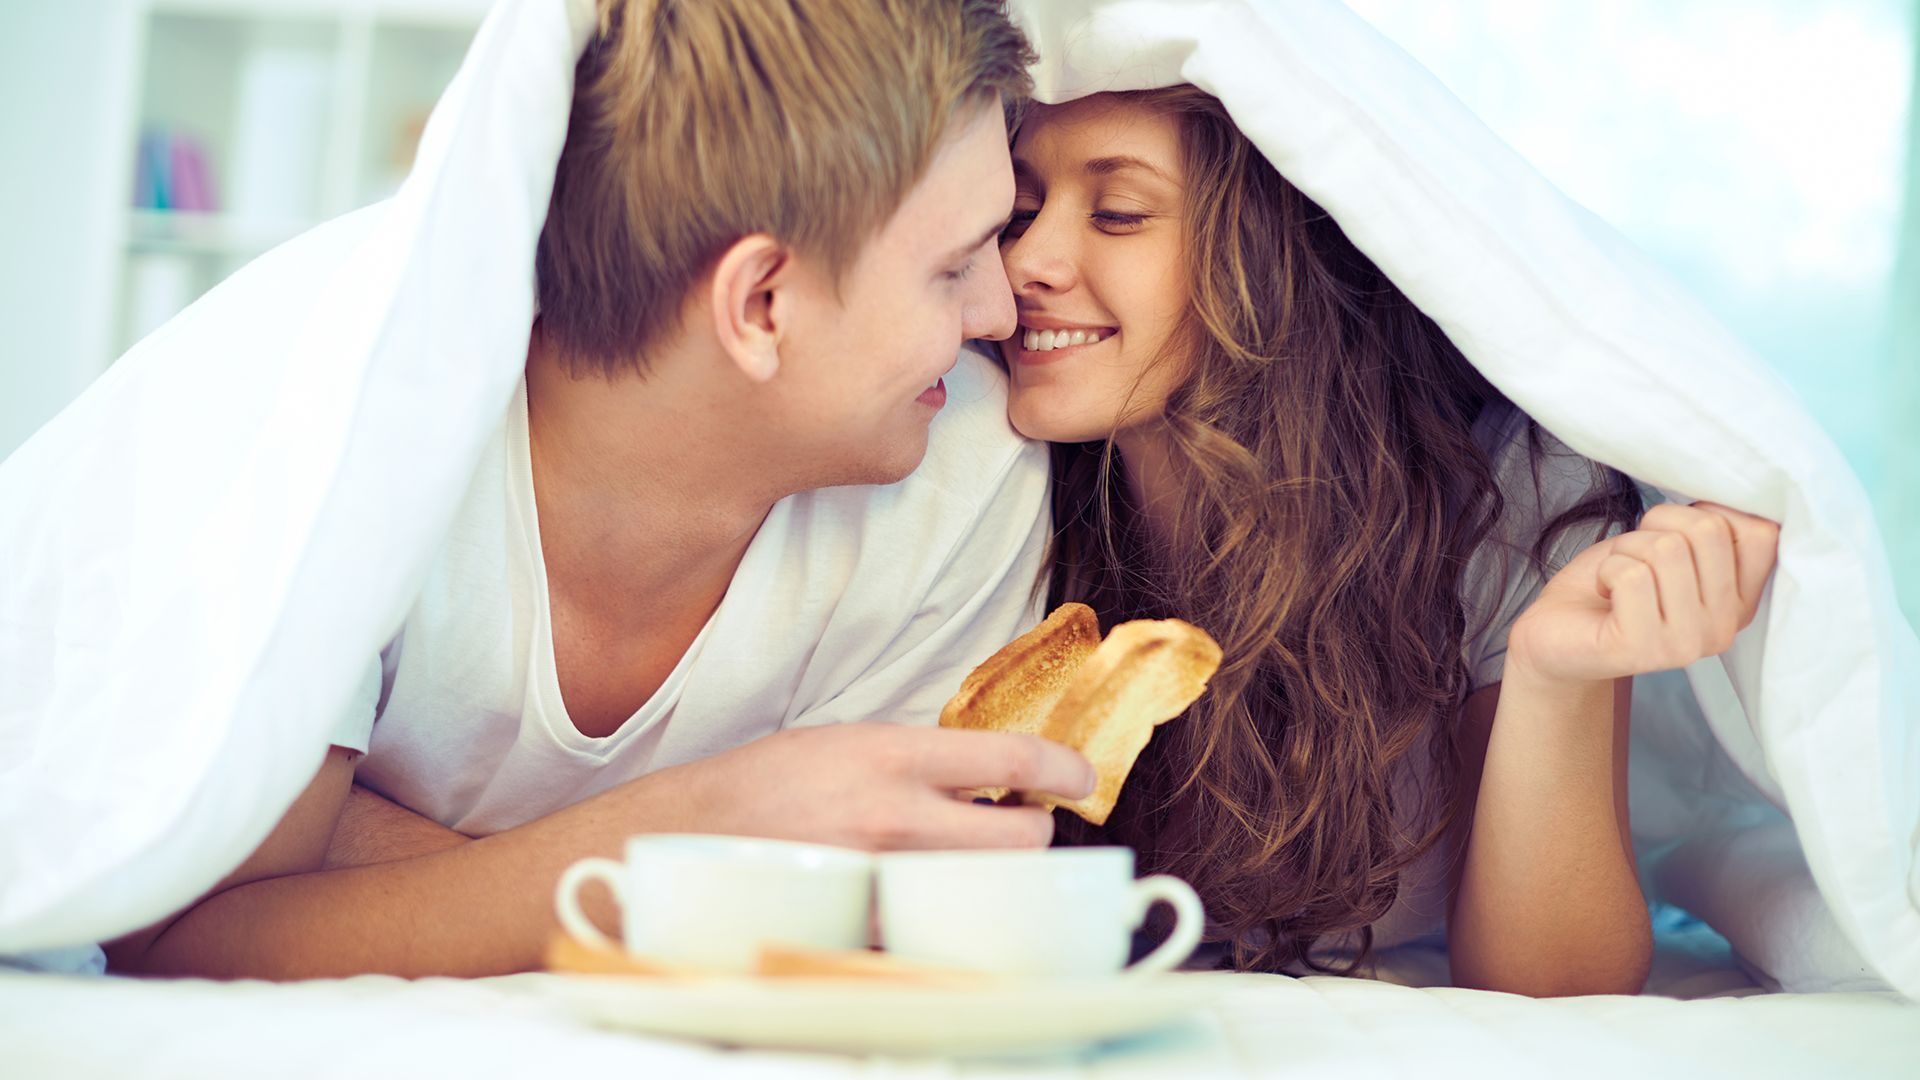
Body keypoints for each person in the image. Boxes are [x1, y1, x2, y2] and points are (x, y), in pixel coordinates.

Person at [101, 0, 1096, 981]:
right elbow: (179, 931)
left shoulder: (965, 467)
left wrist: (369, 847)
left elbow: (858, 928)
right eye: (954, 268)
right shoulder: (341, 418)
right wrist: (701, 826)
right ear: (760, 304)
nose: (999, 314)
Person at [996, 86, 1781, 997]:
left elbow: (1556, 987)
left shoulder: (1507, 492)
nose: (1025, 259)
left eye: (1120, 213)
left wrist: (1550, 677)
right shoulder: (980, 478)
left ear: (1280, 252)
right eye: (1017, 212)